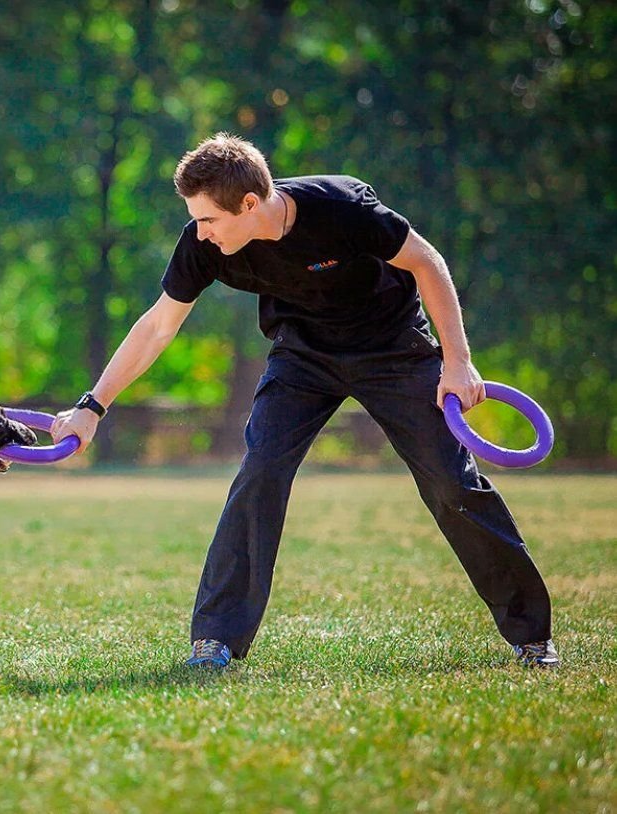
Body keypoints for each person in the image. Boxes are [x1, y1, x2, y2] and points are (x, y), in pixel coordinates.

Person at [50, 132, 557, 670]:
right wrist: (92, 406)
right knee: (261, 471)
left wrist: (456, 361)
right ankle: (216, 640)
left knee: (450, 480)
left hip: (392, 348)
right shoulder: (204, 245)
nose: (200, 232)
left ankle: (531, 636)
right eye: (196, 219)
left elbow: (426, 262)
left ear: (250, 204)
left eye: (210, 220)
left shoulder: (340, 208)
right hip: (303, 356)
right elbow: (157, 327)